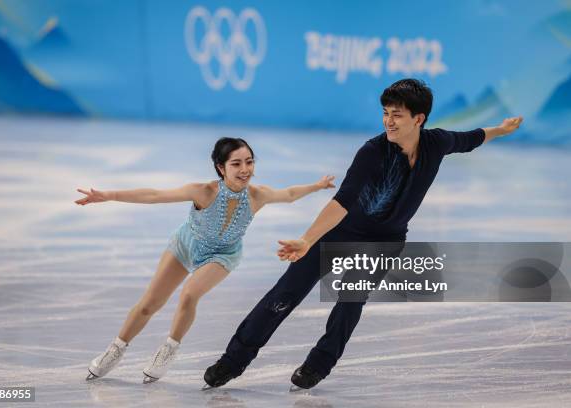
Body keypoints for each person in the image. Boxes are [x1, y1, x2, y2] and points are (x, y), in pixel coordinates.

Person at [204, 79, 523, 390]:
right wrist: (308, 238)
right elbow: (343, 199)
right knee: (285, 294)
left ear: (419, 119)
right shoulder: (372, 151)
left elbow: (471, 138)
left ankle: (318, 365)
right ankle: (233, 361)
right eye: (386, 113)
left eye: (397, 115)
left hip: (385, 241)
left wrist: (501, 130)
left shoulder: (436, 143)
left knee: (350, 299)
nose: (389, 121)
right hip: (341, 231)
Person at [76, 137, 335, 383]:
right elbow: (154, 195)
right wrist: (109, 195)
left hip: (223, 254)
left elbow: (289, 194)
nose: (245, 169)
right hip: (186, 245)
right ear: (221, 168)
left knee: (189, 294)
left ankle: (169, 349)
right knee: (149, 304)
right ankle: (117, 348)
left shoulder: (257, 195)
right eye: (236, 163)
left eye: (249, 161)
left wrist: (317, 186)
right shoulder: (203, 191)